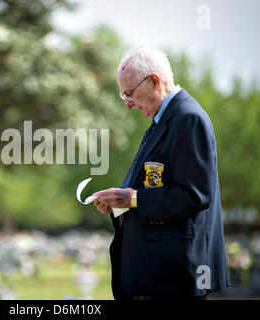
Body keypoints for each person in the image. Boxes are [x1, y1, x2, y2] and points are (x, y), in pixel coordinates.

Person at [92, 47, 229, 300]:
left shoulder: (187, 118)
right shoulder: (166, 119)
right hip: (156, 279)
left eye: (129, 93)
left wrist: (131, 199)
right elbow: (153, 187)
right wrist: (120, 202)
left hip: (174, 280)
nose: (128, 104)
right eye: (123, 95)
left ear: (154, 81)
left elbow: (195, 195)